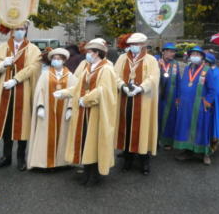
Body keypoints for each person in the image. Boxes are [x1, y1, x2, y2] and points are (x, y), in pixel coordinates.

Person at [58, 39, 117, 186]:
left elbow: (103, 90)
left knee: (95, 141)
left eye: (89, 52)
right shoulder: (88, 68)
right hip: (84, 111)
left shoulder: (106, 69)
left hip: (97, 111)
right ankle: (87, 170)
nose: (87, 55)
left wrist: (86, 99)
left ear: (97, 53)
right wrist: (64, 93)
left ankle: (95, 173)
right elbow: (79, 87)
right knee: (85, 140)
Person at [0, 21, 42, 171]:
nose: (19, 32)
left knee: (22, 123)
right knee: (6, 124)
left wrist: (16, 79)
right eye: (17, 29)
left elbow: (34, 67)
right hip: (4, 91)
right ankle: (6, 157)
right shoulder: (1, 48)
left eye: (22, 29)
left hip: (23, 90)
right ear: (11, 30)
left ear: (26, 31)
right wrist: (3, 64)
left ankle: (21, 157)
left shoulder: (33, 49)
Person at [115, 33, 160, 175]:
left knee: (143, 130)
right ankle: (127, 159)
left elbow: (153, 78)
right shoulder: (122, 59)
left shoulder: (151, 60)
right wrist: (122, 86)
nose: (133, 47)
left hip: (143, 101)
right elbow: (114, 75)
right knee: (126, 127)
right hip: (125, 99)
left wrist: (140, 88)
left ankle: (144, 161)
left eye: (136, 44)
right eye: (131, 44)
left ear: (142, 45)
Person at [174, 49, 219, 165]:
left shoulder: (206, 70)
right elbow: (184, 83)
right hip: (186, 106)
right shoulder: (188, 68)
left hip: (200, 106)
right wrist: (179, 98)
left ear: (202, 57)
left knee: (202, 129)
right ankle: (188, 151)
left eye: (198, 54)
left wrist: (207, 102)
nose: (195, 56)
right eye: (193, 54)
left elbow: (212, 90)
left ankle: (205, 153)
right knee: (187, 128)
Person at [27, 48, 77, 170]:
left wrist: (70, 108)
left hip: (63, 111)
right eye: (54, 59)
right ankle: (43, 162)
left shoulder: (70, 75)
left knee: (63, 135)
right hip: (47, 112)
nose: (56, 61)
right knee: (44, 135)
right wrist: (40, 106)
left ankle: (61, 162)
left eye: (59, 59)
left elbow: (74, 91)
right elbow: (40, 91)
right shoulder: (45, 74)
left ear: (64, 60)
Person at [157, 42, 181, 149]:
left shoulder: (175, 64)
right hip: (159, 95)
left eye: (174, 52)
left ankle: (167, 141)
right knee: (157, 117)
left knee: (171, 118)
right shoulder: (156, 60)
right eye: (171, 51)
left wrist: (178, 96)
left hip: (172, 95)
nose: (173, 54)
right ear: (164, 52)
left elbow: (178, 80)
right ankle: (155, 140)